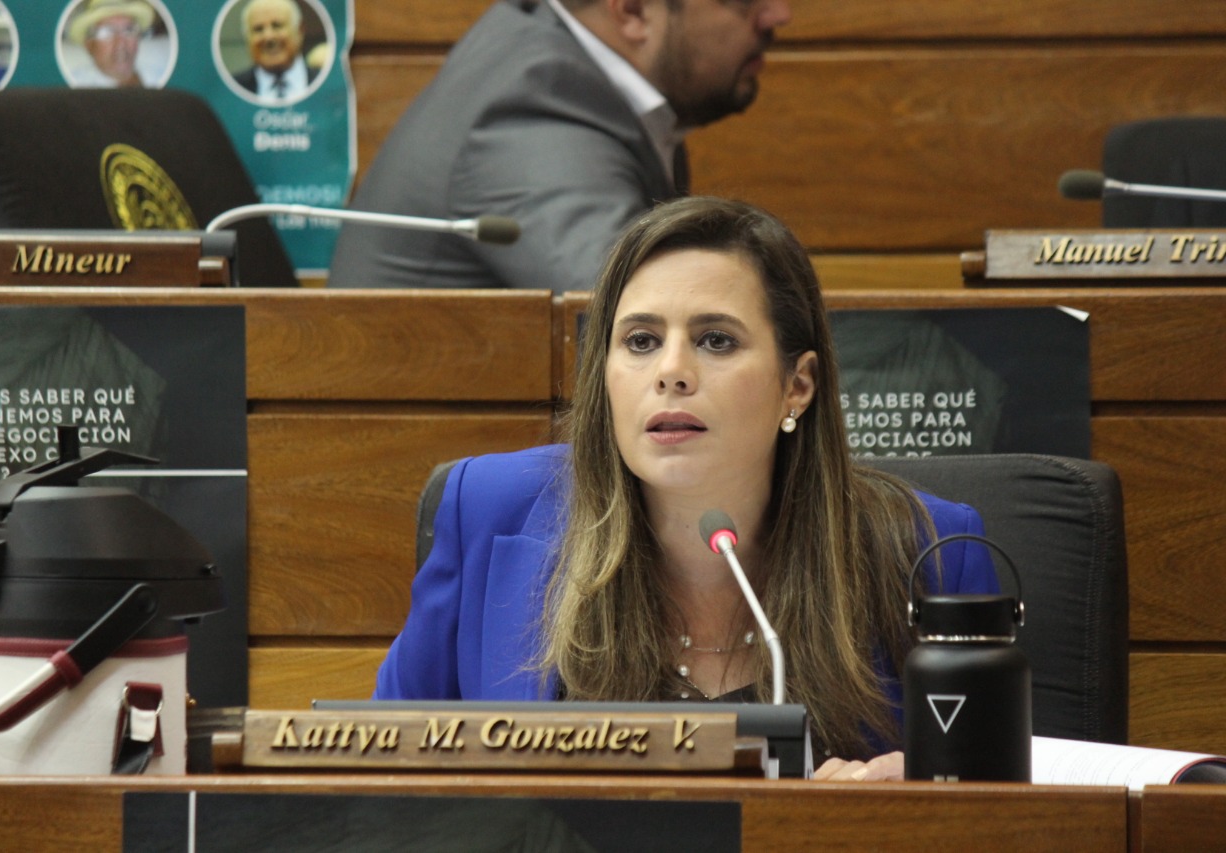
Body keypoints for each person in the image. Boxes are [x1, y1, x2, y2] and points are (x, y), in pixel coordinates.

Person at [373, 196, 1001, 781]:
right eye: (641, 342)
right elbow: (379, 775)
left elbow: (1017, 811)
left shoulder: (934, 552)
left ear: (798, 386)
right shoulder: (486, 510)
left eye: (715, 340)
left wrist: (915, 803)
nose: (671, 371)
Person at [326, 0, 793, 292]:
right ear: (631, 11)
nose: (778, 14)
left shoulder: (555, 53)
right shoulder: (534, 107)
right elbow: (651, 314)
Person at [231, 0, 318, 104]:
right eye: (258, 29)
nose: (268, 37)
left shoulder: (327, 84)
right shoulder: (231, 89)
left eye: (277, 26)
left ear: (299, 30)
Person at [66, 0, 156, 88]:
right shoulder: (74, 87)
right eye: (107, 32)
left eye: (129, 30)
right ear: (89, 45)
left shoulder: (157, 74)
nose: (121, 43)